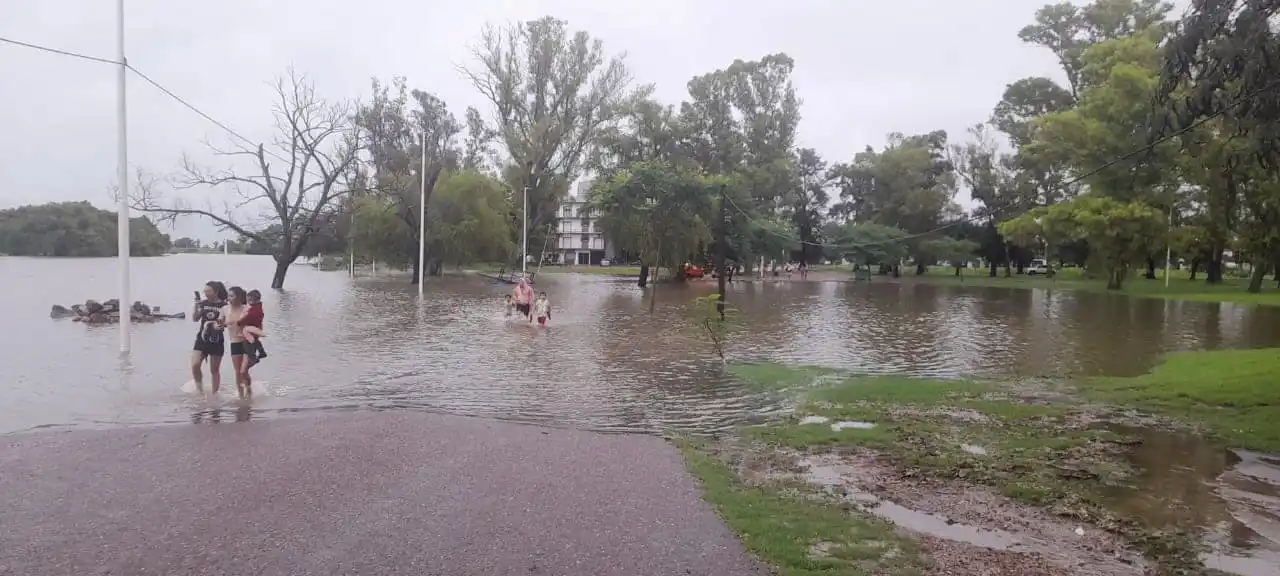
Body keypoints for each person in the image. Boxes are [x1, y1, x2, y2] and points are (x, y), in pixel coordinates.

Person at [191, 281, 228, 396]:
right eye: (205, 291)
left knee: (214, 370)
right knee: (195, 364)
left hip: (216, 340)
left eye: (208, 291)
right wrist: (196, 305)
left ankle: (215, 394)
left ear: (215, 292)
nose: (205, 293)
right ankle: (199, 389)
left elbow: (226, 323)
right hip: (202, 338)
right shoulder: (203, 303)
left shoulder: (224, 305)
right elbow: (195, 318)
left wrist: (221, 324)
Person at [224, 286, 253, 398]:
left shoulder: (247, 308)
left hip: (246, 341)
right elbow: (221, 322)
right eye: (228, 296)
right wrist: (218, 325)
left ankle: (249, 390)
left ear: (239, 297)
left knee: (243, 370)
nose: (229, 298)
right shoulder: (225, 309)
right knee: (237, 370)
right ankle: (241, 395)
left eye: (232, 296)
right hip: (234, 341)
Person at [239, 289, 267, 368]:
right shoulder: (259, 307)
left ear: (257, 300)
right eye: (248, 300)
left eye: (250, 300)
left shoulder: (253, 310)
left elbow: (247, 318)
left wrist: (239, 322)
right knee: (255, 340)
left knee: (247, 343)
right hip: (256, 327)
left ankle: (253, 357)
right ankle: (261, 352)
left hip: (251, 327)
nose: (248, 302)